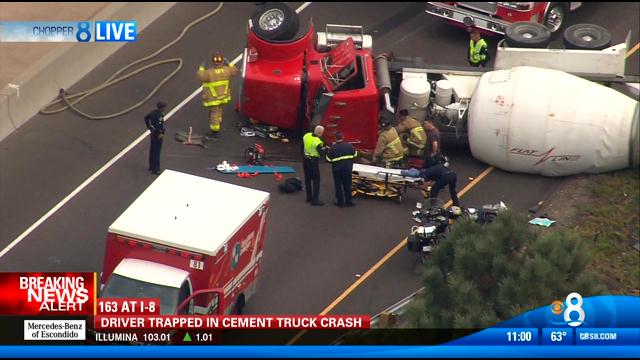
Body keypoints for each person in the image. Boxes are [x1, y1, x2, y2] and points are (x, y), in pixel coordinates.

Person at [197, 52, 239, 138]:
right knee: (219, 109)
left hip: (213, 98)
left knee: (214, 114)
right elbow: (234, 70)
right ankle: (219, 121)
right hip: (223, 97)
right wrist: (229, 64)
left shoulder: (209, 73)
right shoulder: (227, 70)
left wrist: (201, 67)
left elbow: (201, 76)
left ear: (213, 62)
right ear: (222, 61)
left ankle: (214, 131)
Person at [326, 131, 358, 207]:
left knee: (338, 186)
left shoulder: (333, 148)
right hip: (347, 169)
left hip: (337, 170)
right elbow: (355, 155)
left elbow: (328, 160)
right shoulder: (350, 146)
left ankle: (340, 202)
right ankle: (349, 202)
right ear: (343, 137)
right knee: (347, 185)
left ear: (335, 138)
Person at [303, 125, 328, 206]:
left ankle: (308, 197)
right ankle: (315, 200)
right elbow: (321, 152)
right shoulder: (318, 141)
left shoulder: (306, 136)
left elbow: (303, 146)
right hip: (313, 162)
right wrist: (326, 149)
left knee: (307, 179)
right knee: (316, 180)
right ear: (321, 133)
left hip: (305, 159)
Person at [144, 101, 167, 175]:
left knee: (152, 150)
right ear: (162, 108)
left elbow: (146, 118)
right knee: (156, 152)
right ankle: (156, 169)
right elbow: (159, 125)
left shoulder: (153, 112)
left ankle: (151, 166)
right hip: (157, 135)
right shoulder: (159, 116)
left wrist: (149, 127)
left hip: (153, 133)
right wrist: (161, 133)